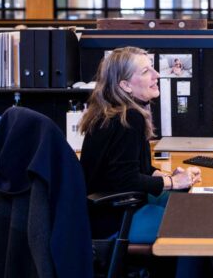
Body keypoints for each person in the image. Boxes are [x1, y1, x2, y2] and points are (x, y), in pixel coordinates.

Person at [79, 46, 202, 242]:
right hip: (116, 220)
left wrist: (163, 176)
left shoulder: (112, 111)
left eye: (152, 67)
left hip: (106, 212)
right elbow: (125, 179)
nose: (157, 75)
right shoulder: (128, 118)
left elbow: (131, 166)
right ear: (126, 85)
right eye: (146, 72)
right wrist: (173, 182)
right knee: (194, 223)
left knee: (187, 200)